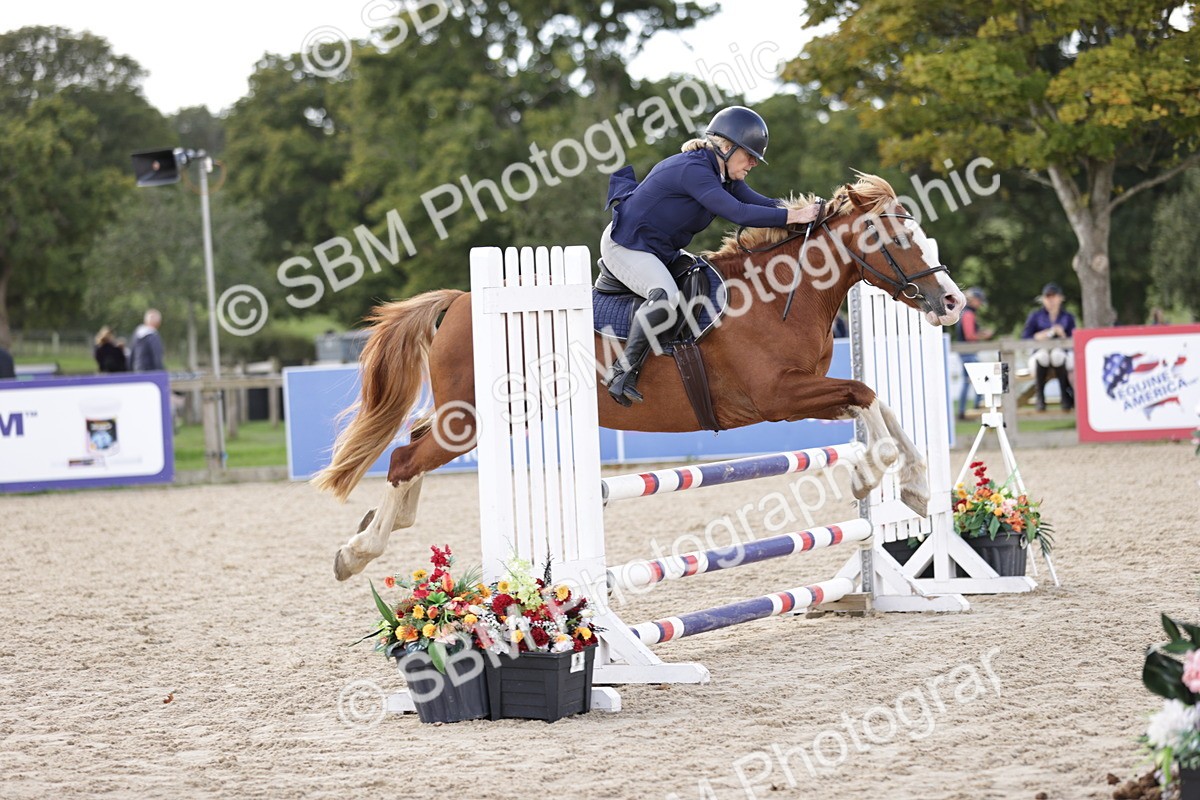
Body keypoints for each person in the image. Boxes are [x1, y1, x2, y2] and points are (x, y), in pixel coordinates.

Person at [600, 105, 821, 406]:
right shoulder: (694, 169)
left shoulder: (724, 175)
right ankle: (622, 372)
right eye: (750, 155)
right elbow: (737, 212)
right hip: (628, 245)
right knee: (665, 296)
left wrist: (815, 212)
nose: (754, 163)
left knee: (701, 279)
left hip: (659, 249)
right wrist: (794, 217)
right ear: (727, 147)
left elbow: (764, 203)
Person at [1021, 282, 1076, 411]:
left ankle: (1064, 395)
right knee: (1043, 355)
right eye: (1048, 296)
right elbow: (1025, 338)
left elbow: (1074, 339)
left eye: (1054, 296)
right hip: (1041, 356)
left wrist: (1062, 335)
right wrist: (1039, 336)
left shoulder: (1068, 317)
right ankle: (1040, 396)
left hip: (1061, 356)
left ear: (1060, 298)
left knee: (1057, 354)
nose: (1051, 300)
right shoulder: (1035, 316)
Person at [955, 287, 995, 420]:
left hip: (966, 352)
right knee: (980, 380)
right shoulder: (968, 314)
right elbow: (970, 336)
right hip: (968, 352)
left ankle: (963, 411)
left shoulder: (964, 313)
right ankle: (976, 408)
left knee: (968, 382)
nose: (980, 304)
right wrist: (984, 335)